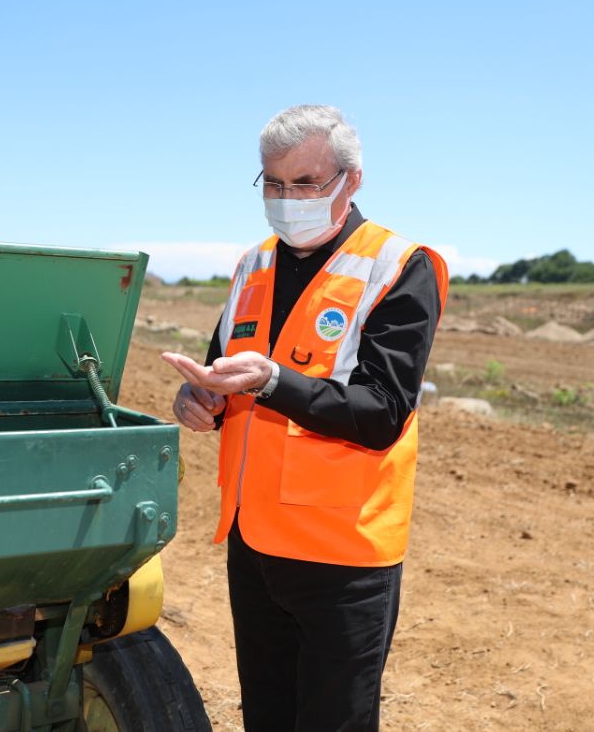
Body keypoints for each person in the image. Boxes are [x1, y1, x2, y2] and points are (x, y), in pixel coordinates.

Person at [162, 105, 448, 732]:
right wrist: (201, 404)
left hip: (342, 553)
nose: (286, 198)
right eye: (272, 182)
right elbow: (221, 372)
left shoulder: (398, 267)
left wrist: (272, 381)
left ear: (351, 180)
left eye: (305, 183)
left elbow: (381, 413)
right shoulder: (252, 265)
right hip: (255, 543)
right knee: (267, 716)